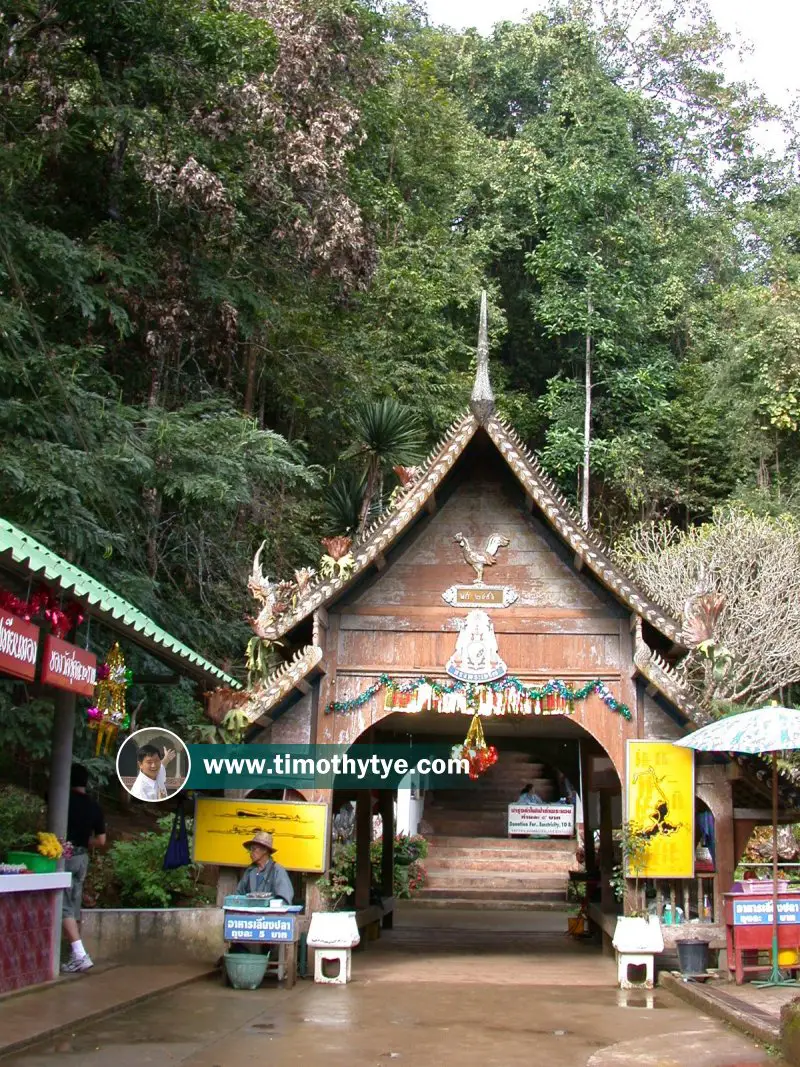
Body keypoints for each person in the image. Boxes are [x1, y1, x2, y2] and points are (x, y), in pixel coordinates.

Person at [62, 765, 106, 973]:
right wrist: (83, 843)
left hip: (65, 858)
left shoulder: (63, 800)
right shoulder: (94, 806)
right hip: (82, 859)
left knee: (63, 906)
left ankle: (79, 955)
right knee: (74, 904)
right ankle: (74, 954)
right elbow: (101, 840)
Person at [235, 831, 294, 902]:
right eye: (249, 850)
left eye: (253, 849)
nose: (251, 853)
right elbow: (238, 896)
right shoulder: (250, 871)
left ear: (265, 850)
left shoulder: (278, 871)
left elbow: (284, 900)